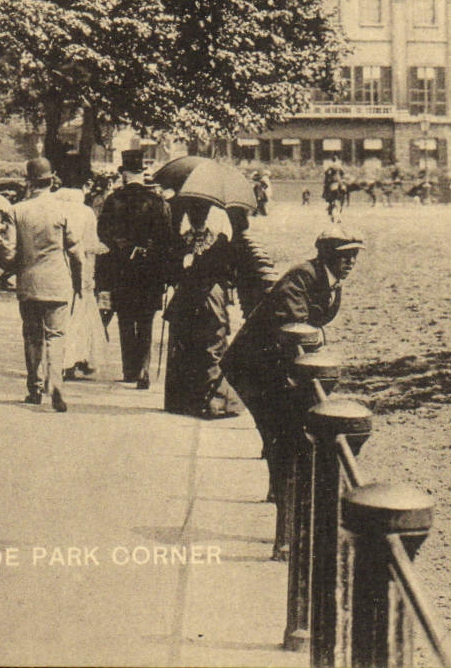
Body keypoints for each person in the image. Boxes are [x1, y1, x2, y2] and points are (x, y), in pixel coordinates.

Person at [222, 225, 362, 558]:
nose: (350, 262)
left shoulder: (328, 281)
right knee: (285, 443)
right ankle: (283, 540)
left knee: (281, 439)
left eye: (354, 256)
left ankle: (279, 502)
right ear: (326, 254)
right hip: (253, 367)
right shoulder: (303, 276)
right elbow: (294, 325)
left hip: (274, 366)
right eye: (344, 256)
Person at [4, 157, 83, 412]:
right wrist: (78, 281)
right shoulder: (63, 210)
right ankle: (56, 384)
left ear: (29, 181)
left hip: (29, 283)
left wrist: (14, 266)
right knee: (56, 336)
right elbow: (75, 251)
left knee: (32, 336)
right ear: (52, 180)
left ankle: (34, 388)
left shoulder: (17, 211)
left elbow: (8, 252)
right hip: (58, 282)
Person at [96, 151, 174, 390]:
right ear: (142, 173)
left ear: (124, 174)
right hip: (150, 271)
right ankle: (144, 369)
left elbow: (103, 234)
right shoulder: (158, 202)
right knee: (146, 320)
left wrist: (122, 247)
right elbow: (167, 239)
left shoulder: (113, 200)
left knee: (126, 318)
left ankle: (129, 369)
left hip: (122, 270)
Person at [162, 200, 244, 419]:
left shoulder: (185, 241)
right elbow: (228, 271)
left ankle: (193, 400)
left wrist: (189, 266)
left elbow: (171, 273)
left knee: (195, 345)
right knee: (207, 345)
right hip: (206, 298)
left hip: (197, 298)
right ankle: (211, 400)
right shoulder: (217, 240)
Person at [55, 167, 109, 382]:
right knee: (80, 312)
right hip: (81, 266)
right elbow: (90, 243)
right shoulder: (85, 211)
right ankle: (77, 357)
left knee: (60, 312)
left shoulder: (54, 207)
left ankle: (59, 359)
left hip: (58, 265)